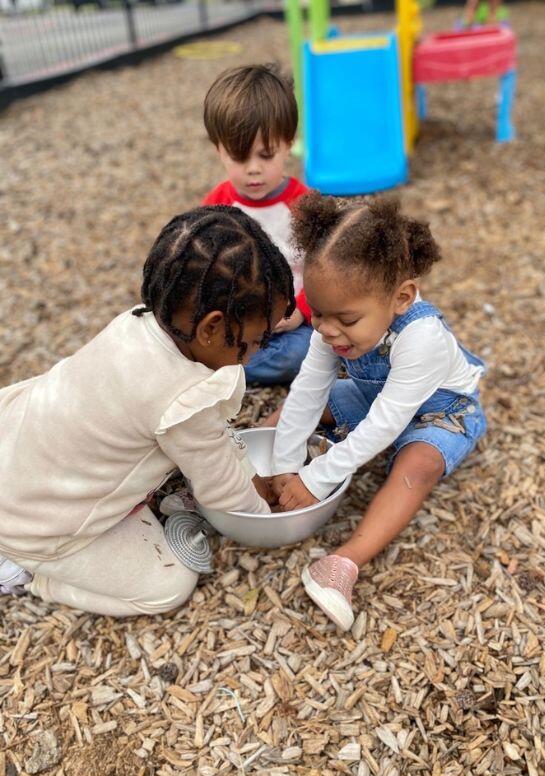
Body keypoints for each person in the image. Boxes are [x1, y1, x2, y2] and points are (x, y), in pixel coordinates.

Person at [0, 206, 294, 615]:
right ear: (210, 329)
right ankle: (33, 576)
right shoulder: (182, 402)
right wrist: (266, 508)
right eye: (259, 337)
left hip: (16, 447)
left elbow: (209, 435)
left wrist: (243, 468)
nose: (262, 347)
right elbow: (225, 493)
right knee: (168, 586)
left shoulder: (137, 323)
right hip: (38, 523)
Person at [270, 192, 487, 631]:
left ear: (402, 297)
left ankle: (343, 563)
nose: (328, 330)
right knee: (287, 416)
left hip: (440, 411)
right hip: (380, 397)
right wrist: (283, 461)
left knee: (415, 467)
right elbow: (308, 391)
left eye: (346, 320)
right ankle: (244, 463)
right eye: (319, 315)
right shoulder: (332, 327)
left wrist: (315, 477)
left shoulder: (421, 337)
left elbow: (384, 426)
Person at [202, 63, 312, 385]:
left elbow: (323, 268)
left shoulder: (303, 206)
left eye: (266, 155)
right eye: (239, 158)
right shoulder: (217, 207)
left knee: (302, 353)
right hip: (237, 324)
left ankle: (225, 372)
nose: (253, 170)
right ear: (218, 149)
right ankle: (224, 366)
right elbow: (204, 269)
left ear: (288, 143)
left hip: (290, 327)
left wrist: (302, 311)